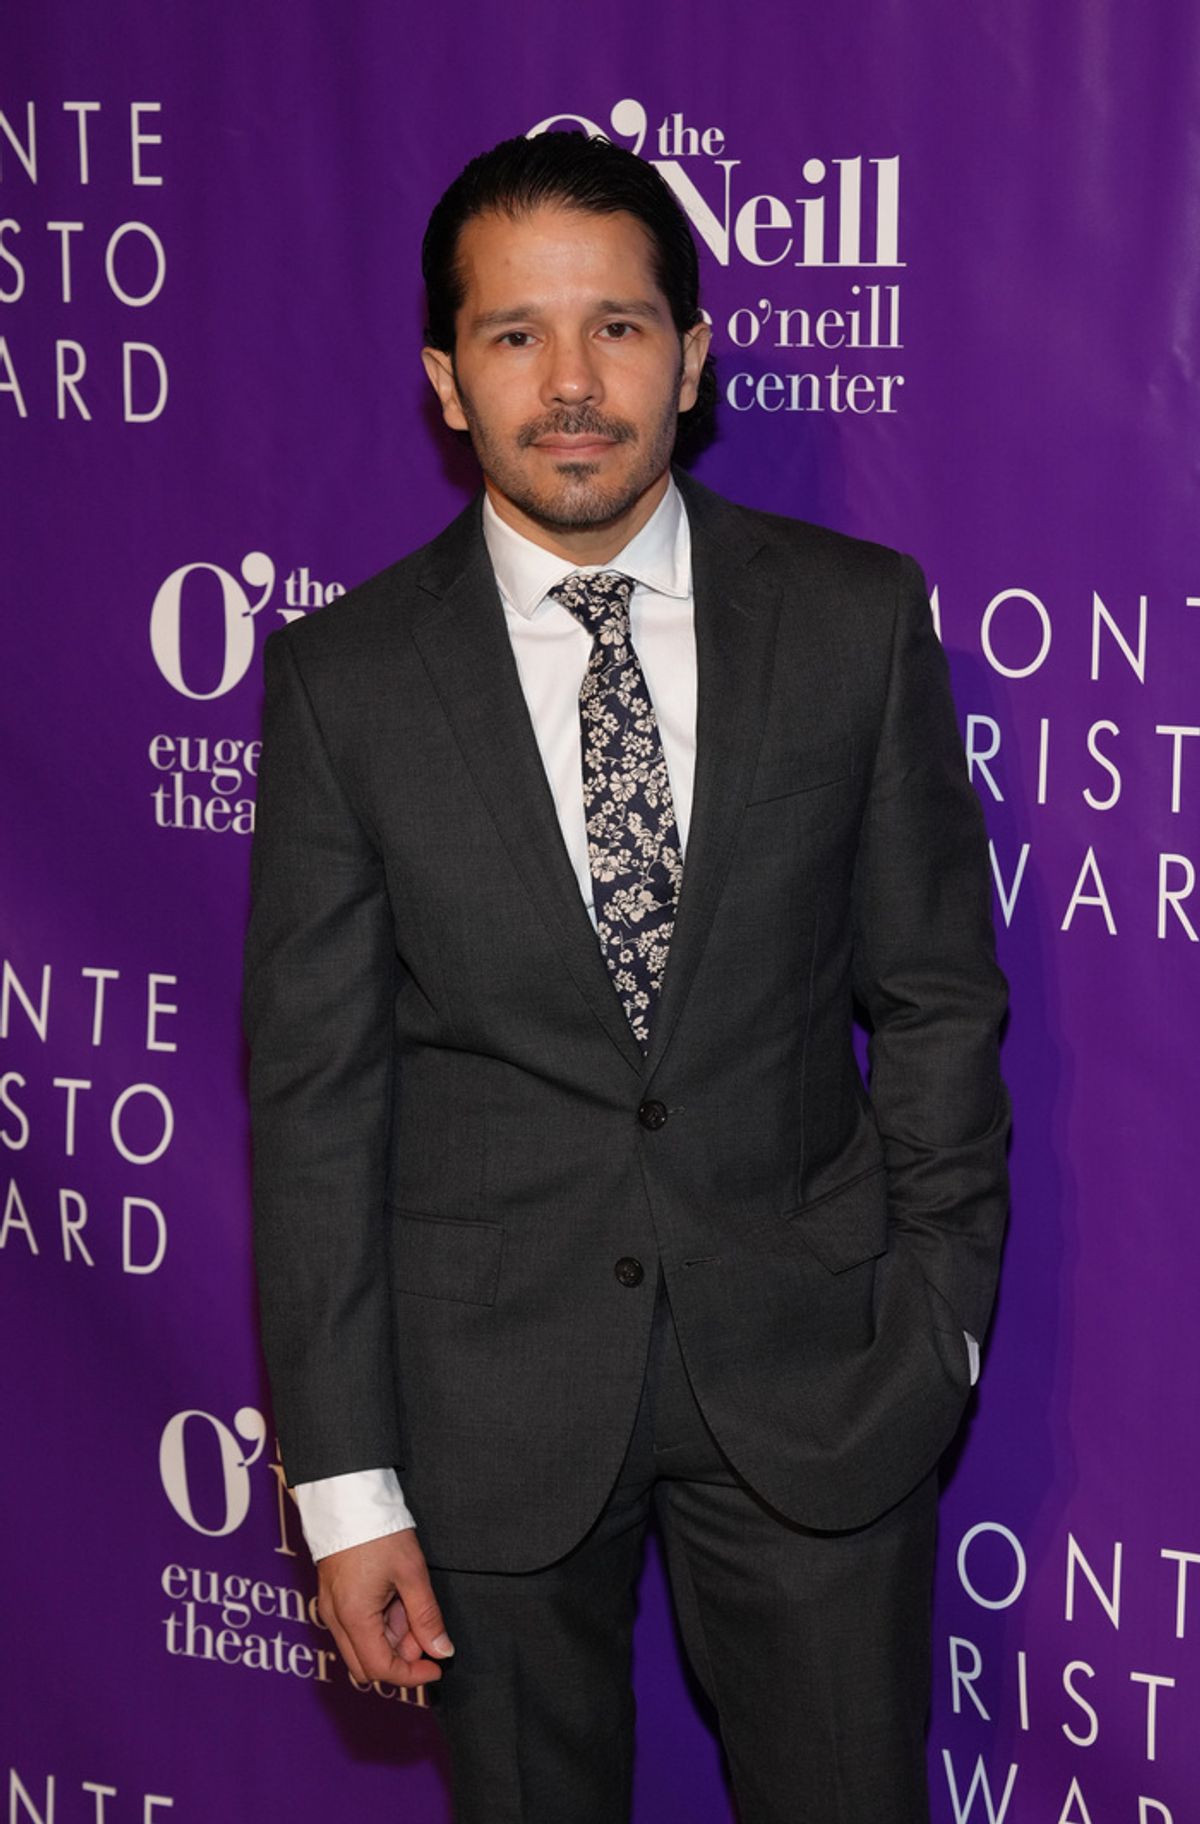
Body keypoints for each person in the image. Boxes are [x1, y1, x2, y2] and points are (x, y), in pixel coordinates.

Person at [243, 130, 1009, 1824]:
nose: (573, 383)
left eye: (620, 327)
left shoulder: (856, 620)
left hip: (820, 1385)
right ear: (448, 380)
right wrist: (351, 1491)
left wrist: (938, 1324)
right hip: (483, 1409)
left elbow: (940, 996)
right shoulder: (341, 684)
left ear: (696, 352)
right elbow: (314, 1103)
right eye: (517, 335)